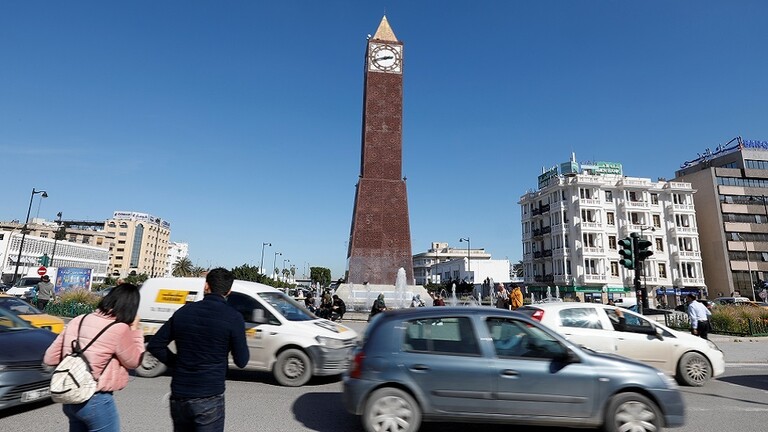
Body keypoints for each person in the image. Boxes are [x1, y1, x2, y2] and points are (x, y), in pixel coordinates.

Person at [147, 268, 249, 432]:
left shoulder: (184, 312)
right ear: (229, 291)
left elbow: (155, 344)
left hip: (180, 394)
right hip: (210, 395)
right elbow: (242, 361)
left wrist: (177, 363)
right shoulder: (233, 317)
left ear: (206, 286)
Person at [43, 283, 145, 432]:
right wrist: (135, 330)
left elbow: (50, 357)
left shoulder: (79, 319)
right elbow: (134, 361)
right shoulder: (120, 328)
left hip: (70, 396)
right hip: (95, 398)